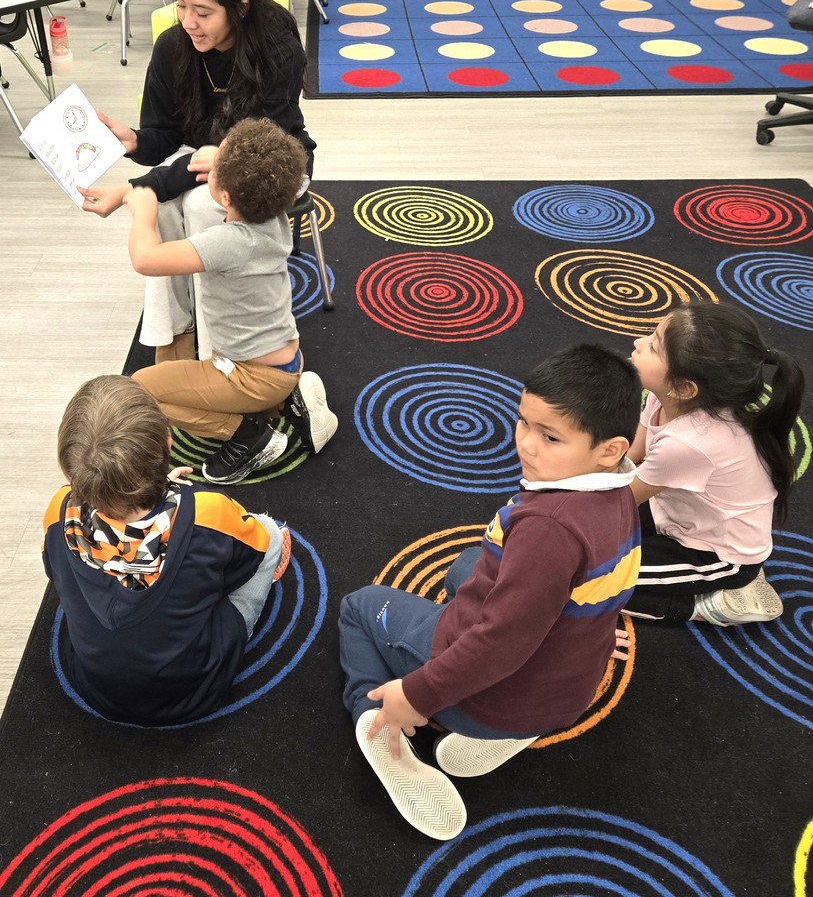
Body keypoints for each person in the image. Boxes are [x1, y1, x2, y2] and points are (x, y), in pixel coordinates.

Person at [339, 344, 642, 840]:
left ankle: (375, 719)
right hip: (568, 692)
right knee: (465, 569)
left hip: (483, 699)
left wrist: (416, 696)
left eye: (550, 436)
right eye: (524, 422)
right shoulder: (618, 491)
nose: (526, 444)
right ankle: (516, 722)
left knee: (359, 607)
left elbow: (498, 643)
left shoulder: (550, 528)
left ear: (609, 448)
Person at [78, 0, 315, 363]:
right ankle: (175, 336)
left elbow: (245, 157)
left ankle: (220, 350)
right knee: (169, 205)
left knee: (206, 207)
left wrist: (137, 188)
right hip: (203, 155)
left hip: (269, 161)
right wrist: (135, 141)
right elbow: (165, 136)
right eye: (181, 4)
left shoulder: (277, 46)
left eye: (202, 12)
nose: (188, 21)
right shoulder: (174, 47)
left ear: (240, 8)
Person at [42, 375, 292, 727]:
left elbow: (54, 568)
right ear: (169, 441)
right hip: (195, 688)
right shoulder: (208, 512)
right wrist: (172, 497)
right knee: (269, 536)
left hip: (93, 684)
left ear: (70, 468)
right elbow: (251, 553)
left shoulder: (56, 512)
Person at [127, 116, 337, 485]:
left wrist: (142, 209)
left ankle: (247, 436)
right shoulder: (274, 217)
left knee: (140, 390)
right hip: (286, 357)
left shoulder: (227, 242)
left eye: (216, 162)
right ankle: (289, 399)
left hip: (249, 375)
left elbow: (146, 259)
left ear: (223, 195)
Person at [626, 300, 805, 626]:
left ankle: (710, 604)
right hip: (676, 511)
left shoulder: (688, 442)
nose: (638, 344)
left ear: (684, 387)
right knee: (587, 547)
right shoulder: (667, 394)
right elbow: (634, 455)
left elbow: (620, 500)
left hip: (718, 553)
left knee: (589, 580)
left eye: (653, 346)